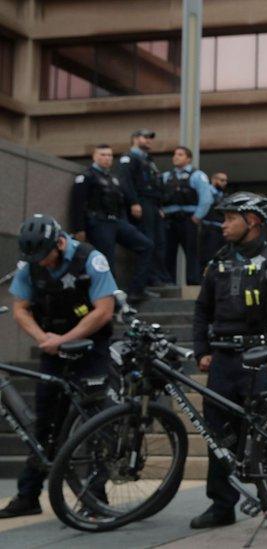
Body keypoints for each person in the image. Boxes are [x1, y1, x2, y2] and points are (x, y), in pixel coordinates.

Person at [190, 192, 267, 531]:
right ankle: (221, 505)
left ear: (253, 221)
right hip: (223, 363)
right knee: (218, 437)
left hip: (262, 362)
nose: (224, 224)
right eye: (224, 218)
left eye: (231, 218)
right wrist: (202, 350)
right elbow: (202, 310)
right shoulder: (217, 262)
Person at [0, 215, 116, 519]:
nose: (43, 264)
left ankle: (95, 498)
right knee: (46, 422)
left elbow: (104, 311)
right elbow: (20, 308)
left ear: (59, 243)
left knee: (95, 423)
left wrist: (66, 338)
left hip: (91, 347)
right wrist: (43, 338)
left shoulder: (91, 259)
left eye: (46, 257)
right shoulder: (31, 264)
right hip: (52, 346)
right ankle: (28, 495)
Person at [69, 143, 154, 302]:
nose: (107, 158)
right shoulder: (87, 177)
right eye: (103, 155)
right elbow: (77, 204)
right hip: (99, 223)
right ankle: (112, 300)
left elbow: (120, 204)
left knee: (146, 245)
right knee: (107, 261)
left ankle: (136, 290)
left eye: (109, 155)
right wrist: (79, 229)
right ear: (94, 156)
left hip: (117, 221)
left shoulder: (113, 179)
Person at [118, 128, 169, 286]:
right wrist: (133, 202)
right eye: (145, 137)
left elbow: (155, 185)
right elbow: (125, 181)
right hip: (141, 202)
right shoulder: (129, 158)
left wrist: (159, 206)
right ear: (135, 138)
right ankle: (150, 278)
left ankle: (159, 276)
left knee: (159, 242)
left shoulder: (148, 160)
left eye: (150, 138)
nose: (148, 140)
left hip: (153, 204)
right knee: (149, 240)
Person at [161, 146, 213, 285]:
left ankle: (193, 282)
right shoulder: (166, 176)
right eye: (175, 154)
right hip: (170, 220)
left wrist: (197, 216)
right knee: (168, 253)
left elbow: (206, 198)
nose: (176, 157)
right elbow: (158, 196)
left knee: (192, 253)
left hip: (188, 219)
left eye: (180, 154)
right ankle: (168, 282)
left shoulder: (197, 175)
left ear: (188, 158)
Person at [199, 171, 229, 269]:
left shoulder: (223, 196)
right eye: (221, 180)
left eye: (225, 181)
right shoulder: (207, 192)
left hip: (221, 230)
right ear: (213, 180)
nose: (224, 183)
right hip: (209, 229)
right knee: (208, 256)